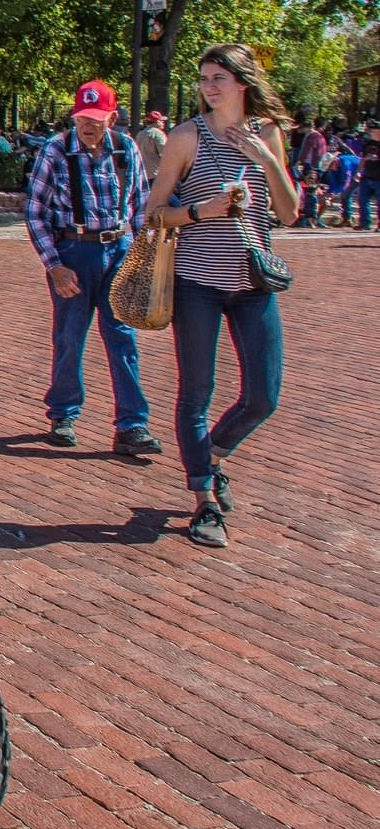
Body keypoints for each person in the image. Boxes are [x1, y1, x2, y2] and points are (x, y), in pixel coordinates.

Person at [143, 44, 299, 548]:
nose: (209, 87)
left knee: (263, 396)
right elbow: (153, 214)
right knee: (196, 394)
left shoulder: (269, 133)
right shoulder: (186, 137)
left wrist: (263, 159)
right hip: (197, 284)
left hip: (253, 283)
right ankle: (204, 501)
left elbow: (290, 212)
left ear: (243, 82)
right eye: (205, 78)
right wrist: (201, 211)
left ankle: (210, 455)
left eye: (219, 78)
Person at [24, 79, 161, 455]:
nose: (87, 125)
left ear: (112, 118)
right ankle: (64, 413)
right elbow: (35, 211)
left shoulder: (126, 148)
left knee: (123, 338)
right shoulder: (56, 149)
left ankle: (132, 425)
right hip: (73, 251)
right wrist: (54, 265)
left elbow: (139, 206)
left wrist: (140, 261)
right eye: (82, 117)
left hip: (118, 248)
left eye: (96, 118)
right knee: (69, 336)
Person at [358, 119, 380, 229]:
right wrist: (357, 172)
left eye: (374, 130)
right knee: (362, 200)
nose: (371, 132)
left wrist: (377, 158)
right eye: (370, 130)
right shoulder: (368, 143)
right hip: (367, 176)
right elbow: (363, 158)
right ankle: (365, 223)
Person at [136, 111, 168, 182]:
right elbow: (165, 153)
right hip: (155, 174)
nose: (163, 123)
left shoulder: (140, 134)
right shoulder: (158, 134)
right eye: (162, 121)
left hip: (142, 174)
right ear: (157, 122)